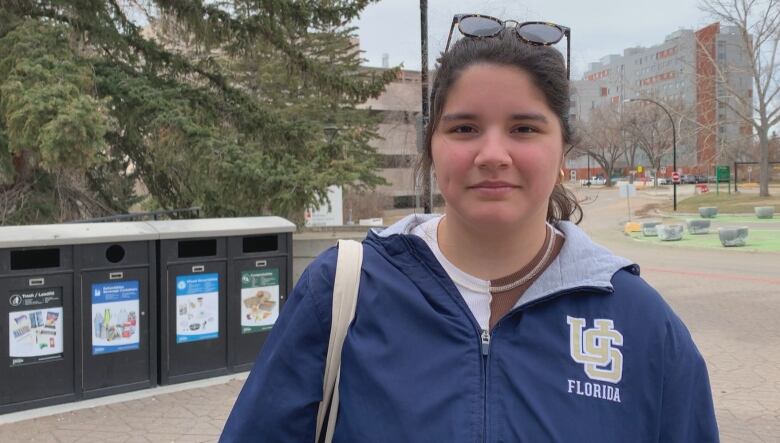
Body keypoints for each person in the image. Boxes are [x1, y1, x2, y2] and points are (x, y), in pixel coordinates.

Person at [221, 15, 719, 442]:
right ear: (431, 147)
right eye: (464, 128)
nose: (493, 155)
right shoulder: (342, 292)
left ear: (563, 149)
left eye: (524, 128)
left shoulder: (642, 326)